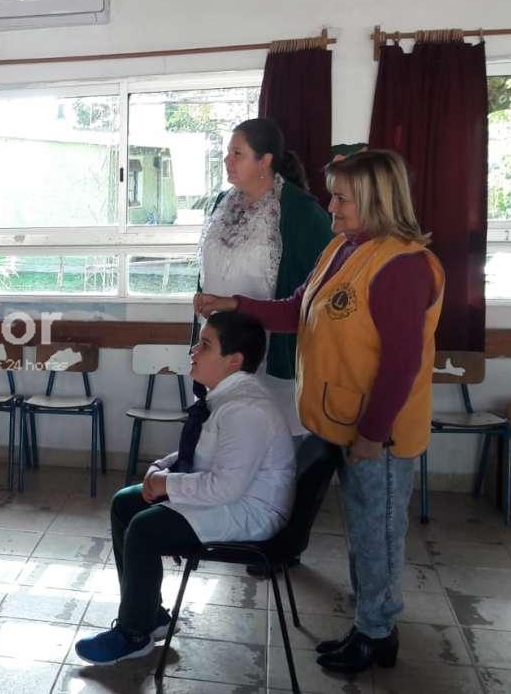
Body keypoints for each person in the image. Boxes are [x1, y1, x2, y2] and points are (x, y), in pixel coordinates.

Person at [194, 149, 445, 674]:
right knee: (362, 527)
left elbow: (401, 364)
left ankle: (377, 635)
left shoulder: (401, 266)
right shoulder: (343, 248)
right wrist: (234, 304)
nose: (331, 206)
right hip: (340, 421)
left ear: (376, 200)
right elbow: (296, 311)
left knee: (377, 532)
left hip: (379, 431)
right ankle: (370, 624)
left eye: (342, 198)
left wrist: (372, 435)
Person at [74, 311, 295, 665]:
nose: (193, 350)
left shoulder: (246, 410)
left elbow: (225, 488)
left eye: (205, 344)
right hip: (232, 495)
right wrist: (162, 467)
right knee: (126, 503)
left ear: (234, 360)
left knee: (145, 528)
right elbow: (205, 452)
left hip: (250, 512)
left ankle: (134, 633)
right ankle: (150, 614)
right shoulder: (225, 397)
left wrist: (166, 483)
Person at [199, 117, 333, 437]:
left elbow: (329, 275)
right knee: (225, 435)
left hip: (272, 348)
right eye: (228, 152)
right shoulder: (223, 202)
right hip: (222, 342)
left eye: (237, 154)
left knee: (270, 435)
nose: (227, 160)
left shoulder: (298, 210)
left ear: (265, 161)